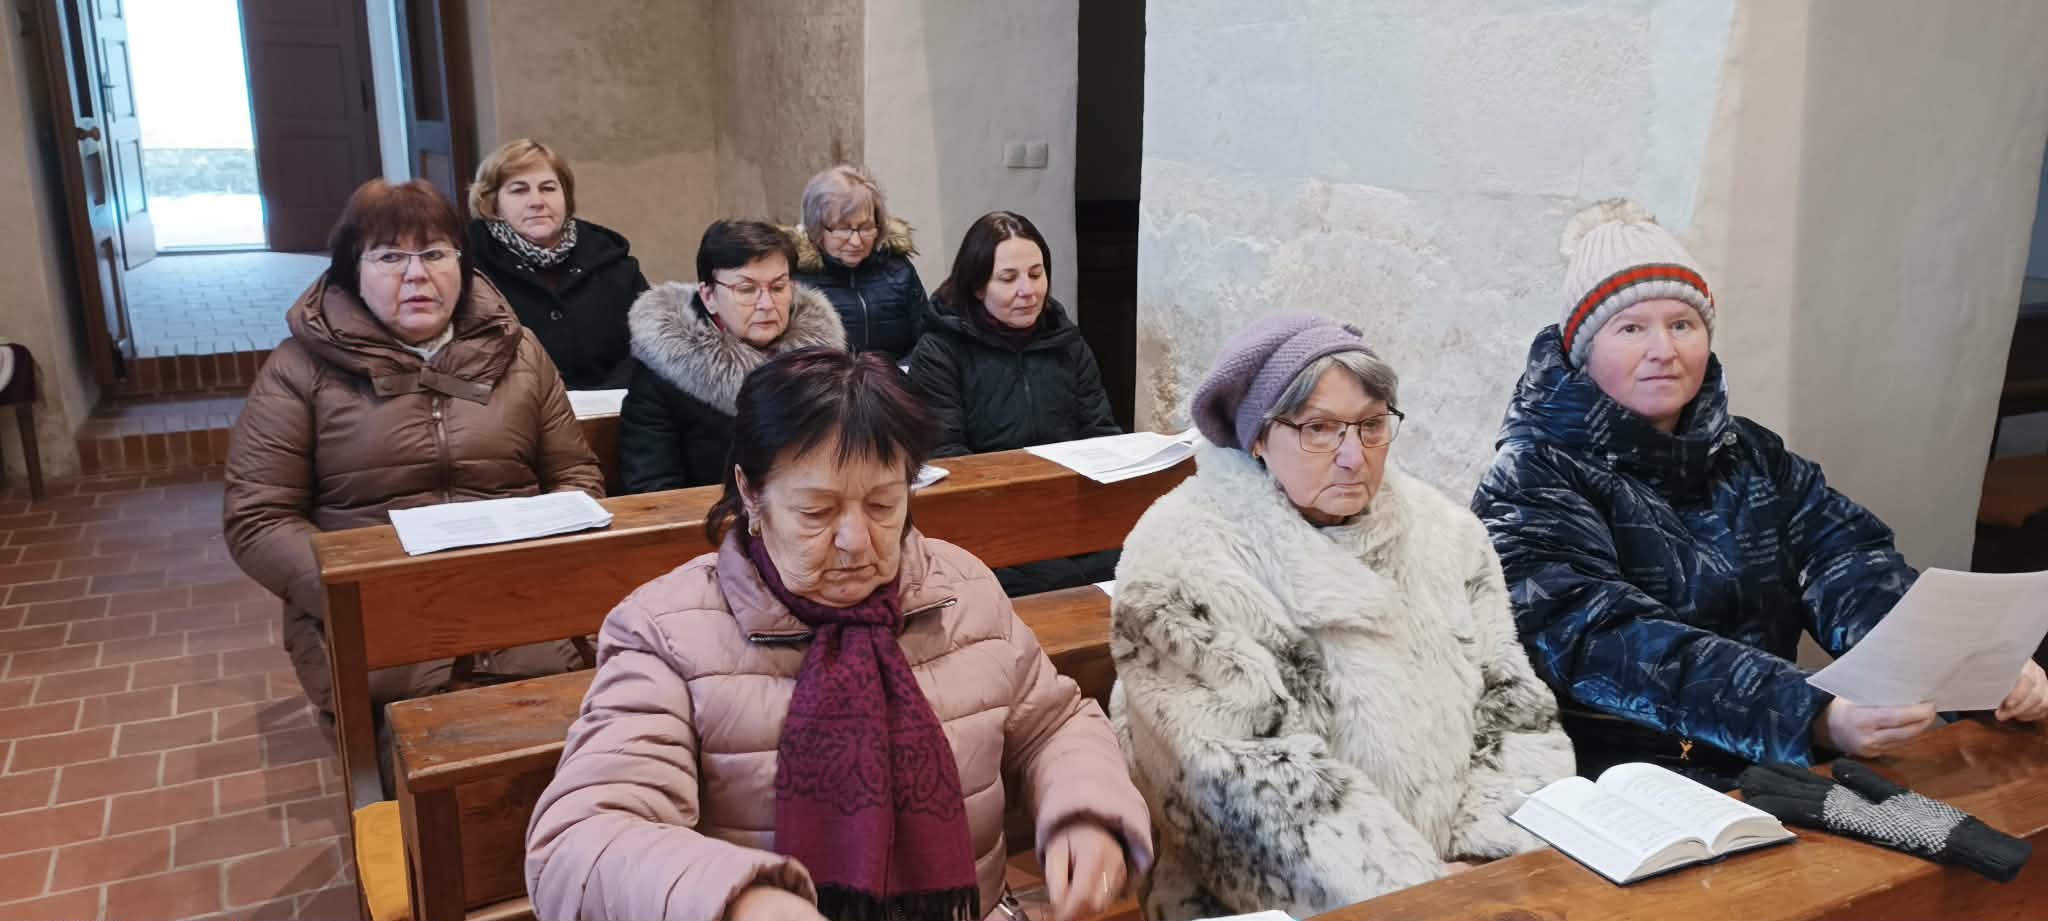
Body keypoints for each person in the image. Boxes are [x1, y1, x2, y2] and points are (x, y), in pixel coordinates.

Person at [526, 348, 1152, 921]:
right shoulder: (668, 632)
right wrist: (738, 900)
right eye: (817, 512)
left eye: (882, 505)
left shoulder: (959, 590)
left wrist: (1084, 808)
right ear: (750, 492)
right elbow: (581, 837)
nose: (856, 541)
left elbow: (1052, 723)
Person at [1472, 199, 2048, 784]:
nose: (1663, 351)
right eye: (1631, 328)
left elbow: (1846, 564)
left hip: (1767, 765)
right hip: (1613, 780)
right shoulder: (1531, 478)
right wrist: (1809, 713)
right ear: (1583, 349)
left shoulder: (1751, 455)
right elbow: (1603, 641)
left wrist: (1972, 666)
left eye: (1682, 325)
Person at [1110, 313, 1574, 920]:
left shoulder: (1447, 534)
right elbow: (1242, 789)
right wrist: (1420, 894)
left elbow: (1514, 708)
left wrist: (1487, 856)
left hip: (1478, 889)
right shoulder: (1179, 560)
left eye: (1372, 425)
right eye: (1319, 429)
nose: (1354, 456)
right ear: (1257, 437)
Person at [224, 179, 602, 774]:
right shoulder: (299, 368)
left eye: (434, 254)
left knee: (584, 750)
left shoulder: (522, 352)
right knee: (429, 768)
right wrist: (363, 594)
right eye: (389, 257)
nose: (416, 275)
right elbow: (259, 518)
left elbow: (574, 472)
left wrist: (540, 569)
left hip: (520, 599)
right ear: (352, 271)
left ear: (462, 265)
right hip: (377, 619)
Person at [907, 210, 1122, 594]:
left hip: (1071, 511)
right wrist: (1024, 508)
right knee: (1059, 586)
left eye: (1036, 274)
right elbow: (948, 460)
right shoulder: (940, 352)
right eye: (1008, 279)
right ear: (977, 287)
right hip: (988, 522)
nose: (1028, 290)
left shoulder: (1068, 344)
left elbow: (1100, 433)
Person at [616, 220, 845, 493]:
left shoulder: (823, 361)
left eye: (778, 287)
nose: (766, 304)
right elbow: (653, 488)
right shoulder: (664, 372)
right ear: (709, 296)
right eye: (747, 290)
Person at [466, 138, 648, 389]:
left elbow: (650, 344)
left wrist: (606, 396)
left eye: (548, 188)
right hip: (516, 408)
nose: (537, 201)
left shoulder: (611, 259)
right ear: (492, 203)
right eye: (519, 190)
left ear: (565, 196)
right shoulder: (468, 266)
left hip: (613, 405)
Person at [785, 163, 929, 361]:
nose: (856, 241)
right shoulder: (796, 279)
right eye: (843, 228)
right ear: (816, 228)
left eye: (866, 227)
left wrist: (901, 372)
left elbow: (926, 338)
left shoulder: (898, 271)